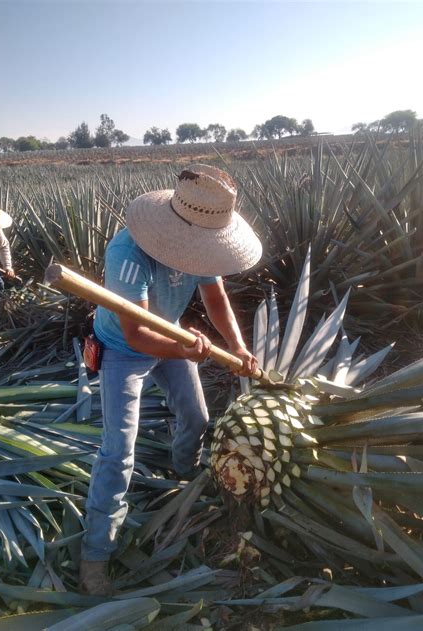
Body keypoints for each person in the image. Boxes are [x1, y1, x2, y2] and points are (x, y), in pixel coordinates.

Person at [79, 164, 263, 596]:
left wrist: (236, 346)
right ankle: (95, 554)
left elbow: (215, 298)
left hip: (174, 338)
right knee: (118, 449)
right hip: (123, 351)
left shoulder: (201, 243)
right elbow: (136, 333)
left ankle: (182, 479)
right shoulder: (128, 252)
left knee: (197, 419)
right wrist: (183, 349)